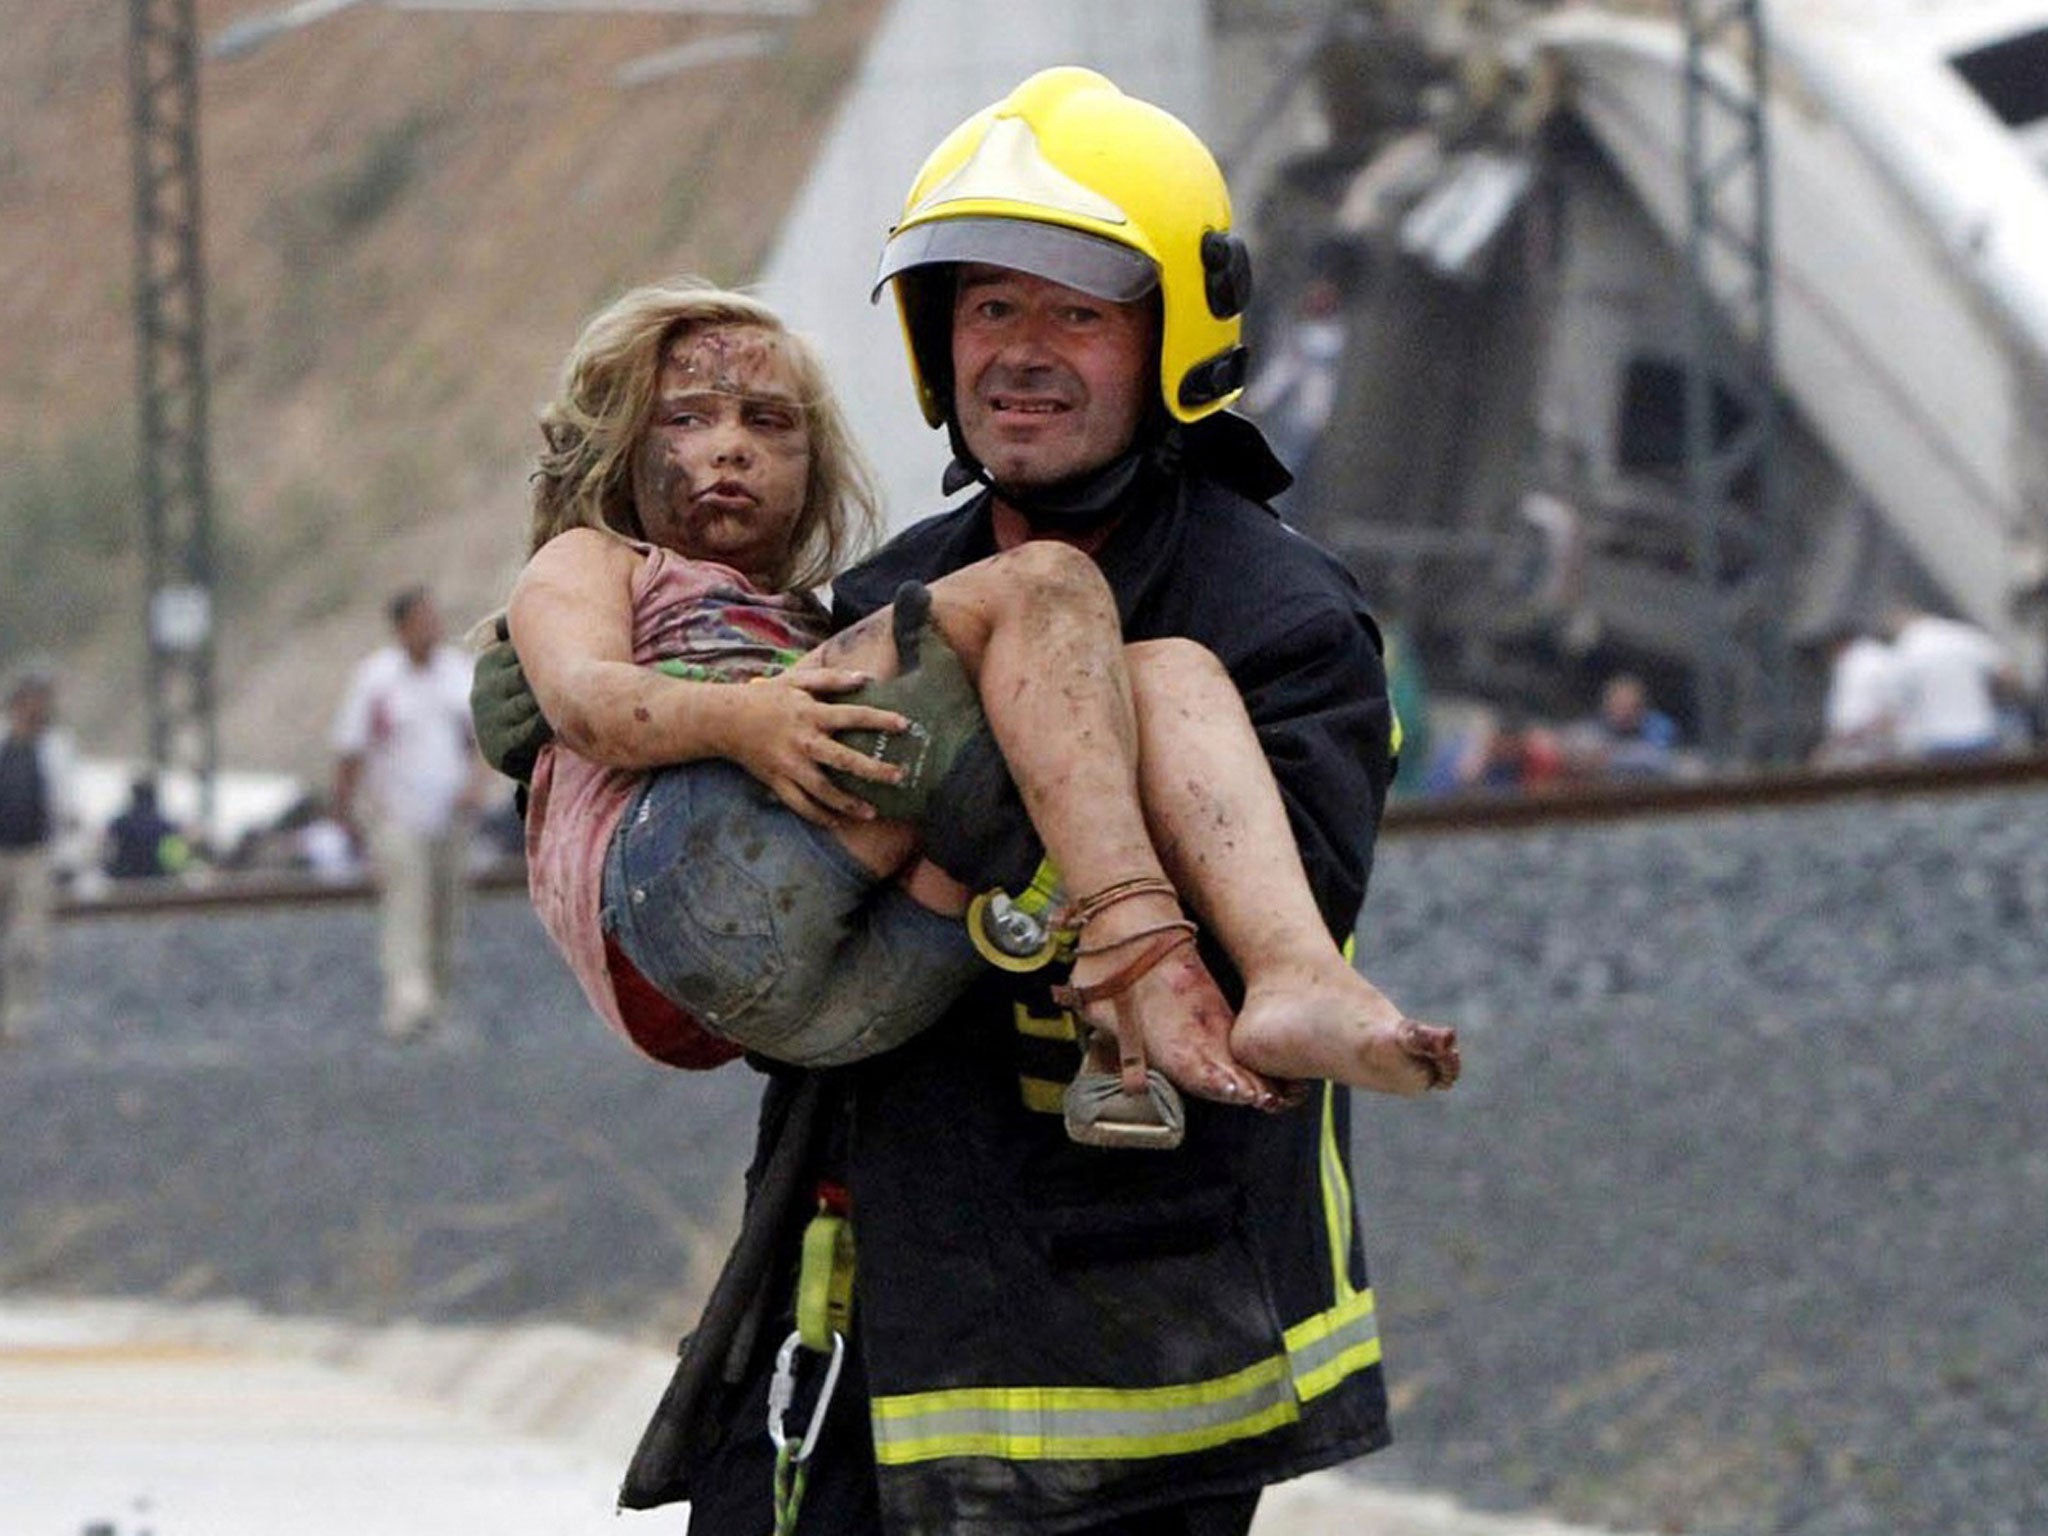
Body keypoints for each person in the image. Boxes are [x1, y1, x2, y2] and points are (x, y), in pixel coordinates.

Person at [477, 67, 1436, 1536]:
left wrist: (965, 839)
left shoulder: (1278, 617)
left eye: (1074, 312)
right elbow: (761, 913)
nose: (1021, 354)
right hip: (854, 1327)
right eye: (989, 310)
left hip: (1128, 1361)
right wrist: (588, 733)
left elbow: (1268, 925)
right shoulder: (884, 596)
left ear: (1175, 330)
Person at [506, 283, 1456, 1141]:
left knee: (1161, 673)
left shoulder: (820, 615)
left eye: (767, 422)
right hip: (682, 889)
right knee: (1045, 585)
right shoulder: (599, 561)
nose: (730, 446)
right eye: (688, 418)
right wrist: (742, 721)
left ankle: (1293, 974)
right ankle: (1137, 952)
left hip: (862, 990)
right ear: (621, 445)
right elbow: (587, 701)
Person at [331, 586, 490, 1040]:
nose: (432, 628)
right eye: (421, 620)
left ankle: (435, 1003)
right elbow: (350, 750)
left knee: (446, 910)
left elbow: (482, 741)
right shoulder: (376, 680)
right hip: (396, 815)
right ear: (401, 628)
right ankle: (407, 1000)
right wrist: (342, 811)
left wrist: (476, 786)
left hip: (452, 817)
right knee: (407, 904)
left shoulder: (457, 675)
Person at [0, 666, 77, 1042]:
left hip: (33, 853)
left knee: (27, 940)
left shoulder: (55, 748)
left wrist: (68, 852)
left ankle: (18, 1017)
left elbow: (64, 802)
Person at [1885, 604, 2024, 760]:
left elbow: (1894, 702)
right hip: (1980, 733)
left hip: (1934, 740)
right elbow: (2010, 676)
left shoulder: (1906, 647)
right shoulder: (1964, 636)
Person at [1812, 622, 1904, 769]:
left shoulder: (1871, 661)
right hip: (1849, 753)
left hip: (1876, 753)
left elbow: (1893, 712)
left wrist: (1849, 737)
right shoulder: (1847, 664)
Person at [101, 776, 190, 881]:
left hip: (125, 883)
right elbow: (176, 860)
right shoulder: (166, 826)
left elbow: (108, 854)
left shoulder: (119, 824)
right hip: (158, 883)